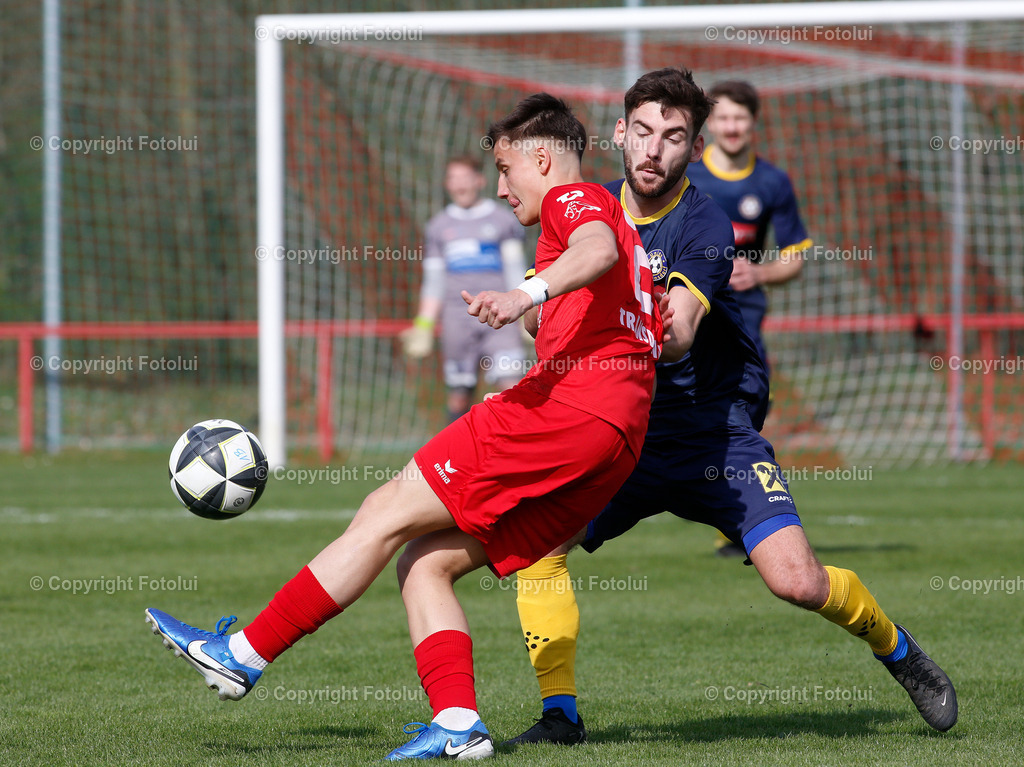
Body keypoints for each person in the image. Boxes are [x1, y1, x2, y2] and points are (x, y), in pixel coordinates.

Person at [145, 93, 665, 761]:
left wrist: (522, 295)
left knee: (385, 507)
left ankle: (242, 654)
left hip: (567, 411)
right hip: (615, 445)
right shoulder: (614, 231)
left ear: (543, 158)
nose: (502, 187)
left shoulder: (578, 201)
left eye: (506, 169)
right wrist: (539, 305)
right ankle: (458, 723)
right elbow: (619, 302)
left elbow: (592, 249)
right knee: (425, 562)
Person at [505, 68, 957, 748]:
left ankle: (897, 648)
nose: (655, 151)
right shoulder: (584, 205)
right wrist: (539, 320)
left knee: (799, 582)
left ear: (694, 148)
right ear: (621, 134)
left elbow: (679, 334)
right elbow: (535, 314)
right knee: (537, 547)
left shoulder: (707, 224)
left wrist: (623, 313)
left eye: (674, 137)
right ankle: (560, 715)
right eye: (645, 133)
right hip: (620, 434)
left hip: (713, 434)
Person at [687, 80, 813, 557]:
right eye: (722, 118)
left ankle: (739, 510)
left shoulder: (772, 183)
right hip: (688, 314)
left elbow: (795, 255)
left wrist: (758, 270)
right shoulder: (690, 175)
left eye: (740, 118)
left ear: (753, 124)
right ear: (710, 124)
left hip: (743, 318)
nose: (732, 126)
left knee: (747, 407)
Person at [400, 156, 528, 421]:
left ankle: (519, 458)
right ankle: (458, 459)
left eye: (464, 177)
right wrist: (424, 324)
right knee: (459, 394)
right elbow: (434, 281)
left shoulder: (503, 220)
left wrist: (526, 309)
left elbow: (516, 269)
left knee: (513, 388)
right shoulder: (438, 227)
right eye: (452, 178)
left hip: (499, 318)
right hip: (458, 322)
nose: (459, 184)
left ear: (479, 181)